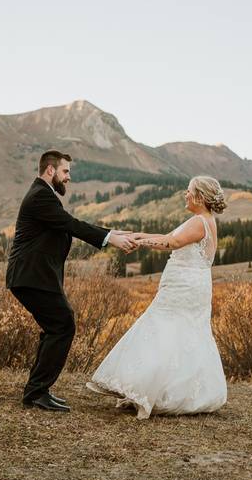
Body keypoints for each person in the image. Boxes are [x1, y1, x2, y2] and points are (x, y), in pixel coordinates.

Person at [86, 175, 228, 419]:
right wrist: (138, 235)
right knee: (178, 332)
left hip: (184, 288)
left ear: (200, 197)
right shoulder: (202, 220)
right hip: (189, 285)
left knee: (164, 329)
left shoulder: (199, 222)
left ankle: (148, 392)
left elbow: (170, 243)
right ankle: (155, 390)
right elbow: (166, 236)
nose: (185, 195)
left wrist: (142, 244)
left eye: (188, 191)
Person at [6, 150, 136, 412]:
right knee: (62, 325)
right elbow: (70, 224)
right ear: (50, 170)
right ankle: (36, 392)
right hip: (31, 276)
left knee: (56, 326)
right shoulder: (40, 196)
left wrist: (111, 233)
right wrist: (108, 238)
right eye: (66, 171)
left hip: (34, 277)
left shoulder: (43, 195)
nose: (69, 177)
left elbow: (66, 226)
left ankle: (37, 391)